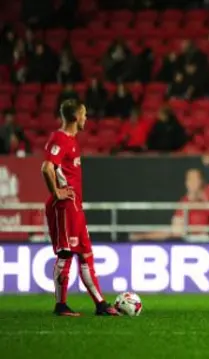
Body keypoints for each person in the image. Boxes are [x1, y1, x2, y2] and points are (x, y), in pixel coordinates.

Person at [41, 99, 118, 316]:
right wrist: (56, 192)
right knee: (66, 254)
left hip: (75, 205)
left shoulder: (72, 140)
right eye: (84, 115)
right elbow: (47, 167)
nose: (86, 118)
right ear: (75, 117)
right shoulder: (60, 138)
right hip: (65, 206)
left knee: (86, 254)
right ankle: (61, 305)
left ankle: (100, 304)